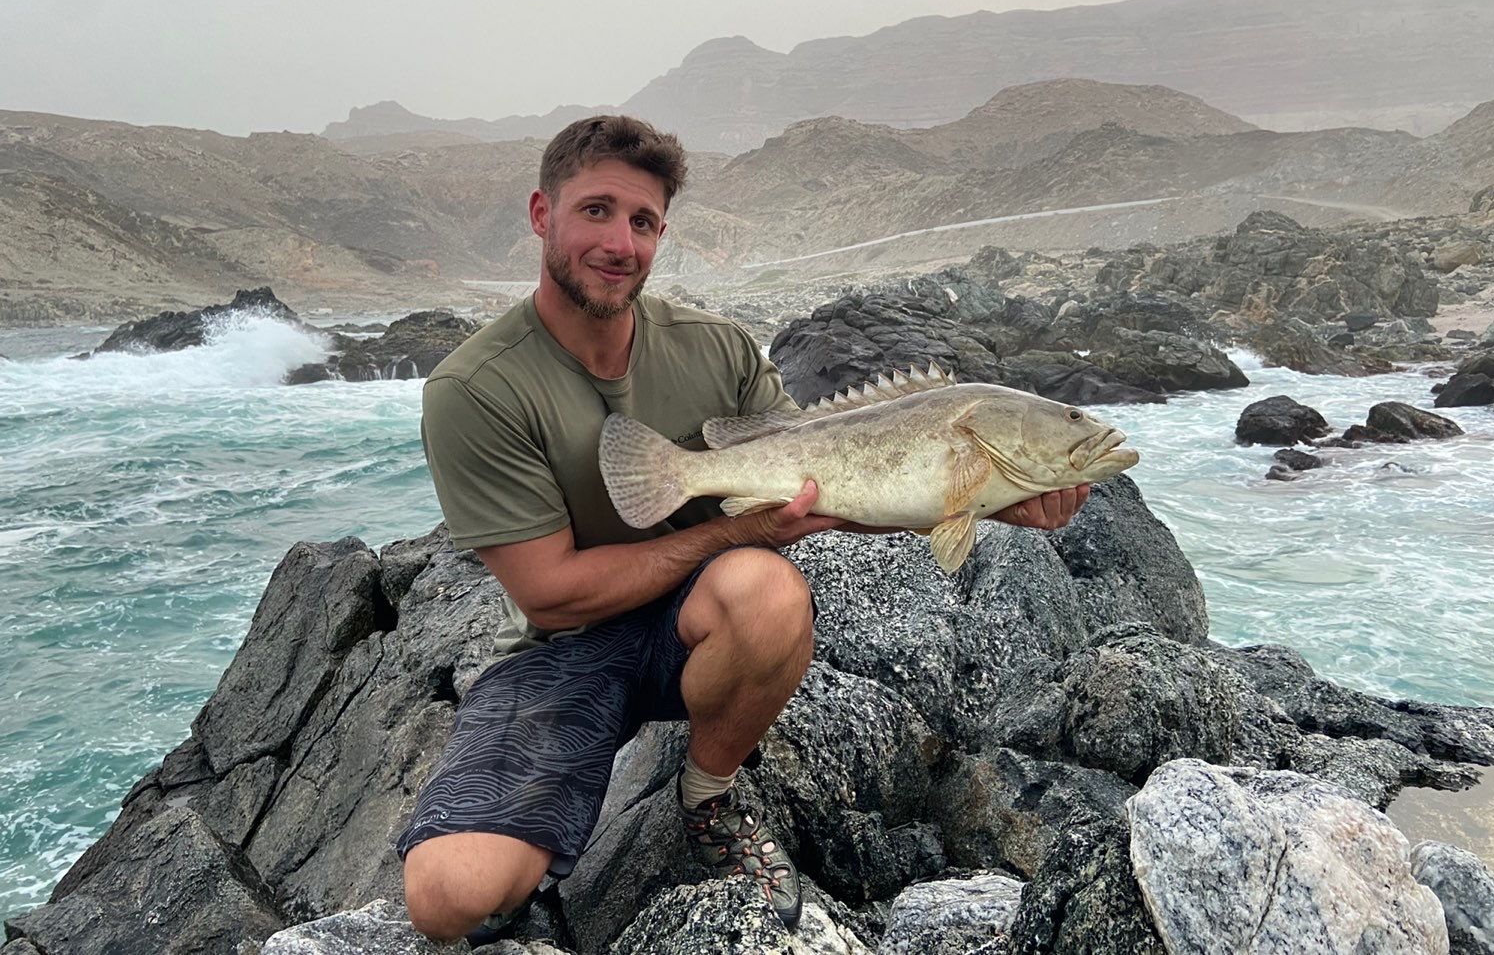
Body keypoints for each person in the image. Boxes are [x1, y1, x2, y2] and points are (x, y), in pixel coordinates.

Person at [398, 115, 1088, 941]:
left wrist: (980, 500)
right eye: (596, 211)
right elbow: (547, 594)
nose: (621, 242)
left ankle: (707, 794)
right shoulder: (474, 388)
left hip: (699, 622)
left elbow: (831, 486)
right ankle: (545, 849)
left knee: (769, 593)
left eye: (644, 221)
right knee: (447, 896)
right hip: (563, 648)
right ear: (542, 213)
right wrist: (730, 532)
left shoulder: (715, 347)